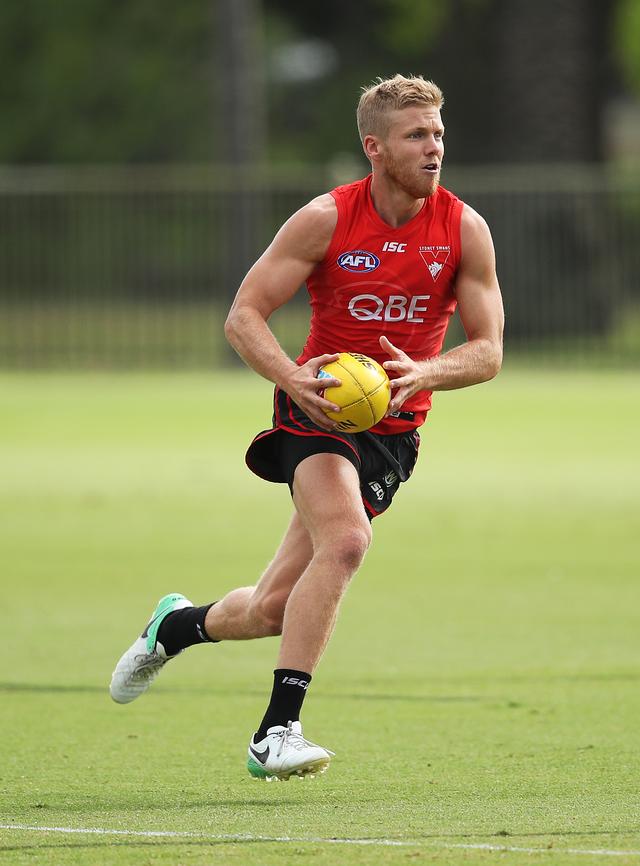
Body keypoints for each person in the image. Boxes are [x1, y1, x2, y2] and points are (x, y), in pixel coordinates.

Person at [110, 73, 504, 781]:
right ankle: (276, 732)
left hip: (393, 431)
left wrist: (425, 372)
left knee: (269, 611)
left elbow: (489, 349)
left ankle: (175, 626)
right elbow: (243, 314)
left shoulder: (464, 228)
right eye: (418, 135)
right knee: (349, 540)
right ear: (374, 147)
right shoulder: (325, 218)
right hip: (314, 412)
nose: (434, 147)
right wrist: (291, 378)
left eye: (439, 133)